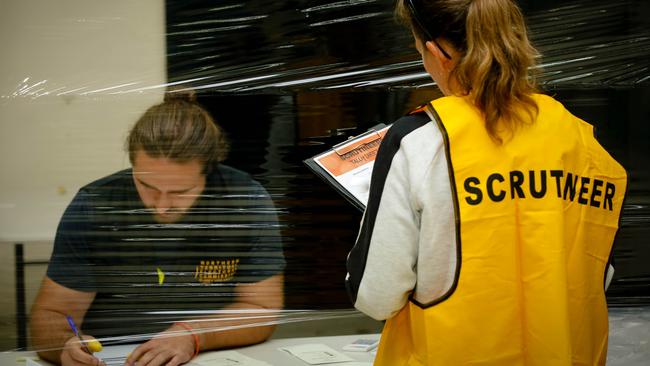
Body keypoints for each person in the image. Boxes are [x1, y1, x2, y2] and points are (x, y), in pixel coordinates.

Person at [345, 0, 627, 365]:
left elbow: (377, 294)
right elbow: (598, 275)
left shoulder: (419, 141)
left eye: (419, 53)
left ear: (437, 53)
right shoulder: (581, 140)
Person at [30, 89, 285, 366]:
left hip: (211, 357)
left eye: (180, 191)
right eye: (147, 186)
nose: (161, 206)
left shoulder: (245, 201)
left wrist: (193, 334)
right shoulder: (94, 206)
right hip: (113, 358)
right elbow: (53, 313)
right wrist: (66, 345)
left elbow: (261, 310)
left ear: (208, 172)